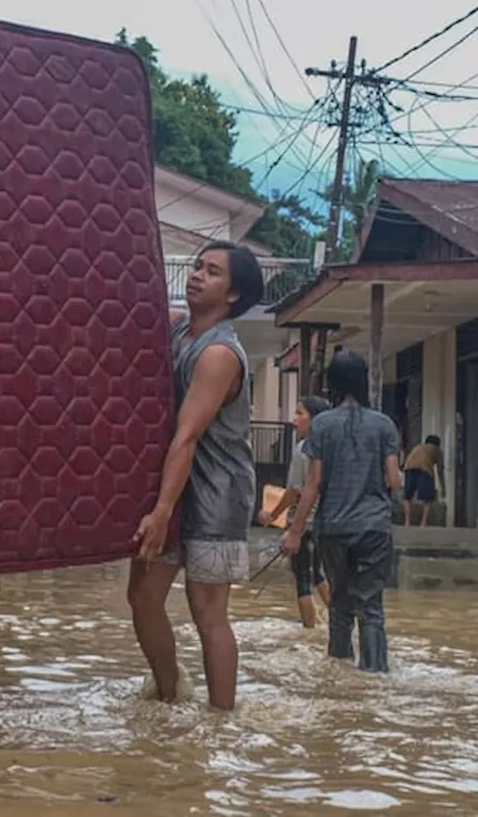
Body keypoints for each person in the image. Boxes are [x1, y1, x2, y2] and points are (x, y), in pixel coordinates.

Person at [131, 241, 264, 711]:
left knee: (208, 614)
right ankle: (170, 695)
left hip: (217, 492)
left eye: (212, 272)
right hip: (171, 481)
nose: (196, 276)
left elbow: (186, 436)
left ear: (233, 295)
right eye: (196, 266)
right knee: (143, 597)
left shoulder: (219, 354)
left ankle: (220, 721)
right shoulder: (179, 331)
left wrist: (162, 510)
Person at [284, 351, 401, 673]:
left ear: (331, 384)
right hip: (374, 527)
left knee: (339, 604)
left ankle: (338, 670)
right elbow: (394, 479)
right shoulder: (384, 425)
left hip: (333, 527)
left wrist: (294, 531)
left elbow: (313, 483)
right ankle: (375, 675)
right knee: (371, 607)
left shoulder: (322, 425)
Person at [258, 395, 332, 628]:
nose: (294, 419)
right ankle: (340, 621)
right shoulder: (332, 447)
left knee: (303, 578)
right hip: (326, 523)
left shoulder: (304, 449)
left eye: (300, 413)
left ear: (314, 419)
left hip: (304, 523)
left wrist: (272, 515)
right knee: (319, 574)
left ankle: (309, 631)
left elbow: (293, 491)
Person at [401, 435, 444, 527]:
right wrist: (442, 487)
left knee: (407, 496)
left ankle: (407, 521)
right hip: (424, 469)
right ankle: (423, 522)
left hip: (408, 468)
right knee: (428, 497)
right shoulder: (437, 450)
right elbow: (440, 470)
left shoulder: (418, 447)